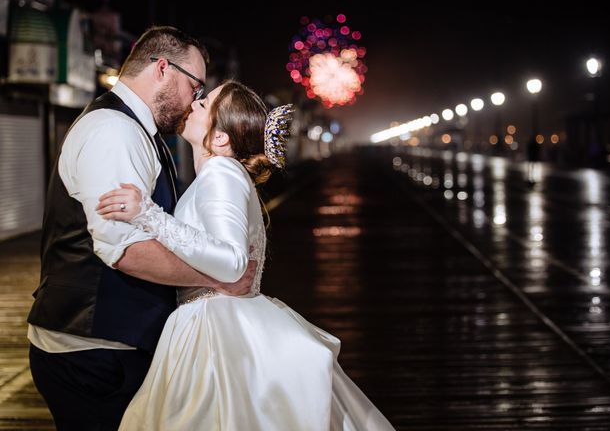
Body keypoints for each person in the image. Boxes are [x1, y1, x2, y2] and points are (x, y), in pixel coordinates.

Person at [97, 80, 395, 430]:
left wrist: (146, 213)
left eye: (204, 104)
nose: (194, 103)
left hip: (215, 333)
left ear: (221, 137)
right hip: (219, 321)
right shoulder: (222, 175)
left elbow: (232, 261)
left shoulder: (221, 173)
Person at [27, 26, 256, 431]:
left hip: (112, 343)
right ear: (163, 69)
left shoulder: (138, 131)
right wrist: (220, 278)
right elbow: (124, 250)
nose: (195, 99)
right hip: (93, 350)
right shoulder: (115, 131)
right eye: (196, 85)